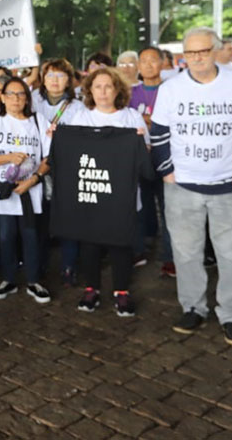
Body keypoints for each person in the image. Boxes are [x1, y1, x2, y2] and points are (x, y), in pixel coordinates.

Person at [150, 26, 232, 346]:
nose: (197, 58)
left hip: (231, 182)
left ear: (214, 51)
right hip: (182, 185)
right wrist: (166, 170)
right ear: (183, 56)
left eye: (203, 51)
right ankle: (193, 307)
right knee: (186, 252)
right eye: (190, 52)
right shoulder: (171, 89)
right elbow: (159, 132)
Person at [65, 68, 149, 316]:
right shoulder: (81, 117)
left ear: (117, 90)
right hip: (91, 191)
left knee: (121, 244)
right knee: (90, 243)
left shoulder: (131, 117)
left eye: (108, 86)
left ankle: (121, 291)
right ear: (89, 91)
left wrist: (140, 142)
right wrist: (57, 138)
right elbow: (70, 153)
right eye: (97, 87)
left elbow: (145, 155)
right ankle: (92, 288)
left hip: (122, 195)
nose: (103, 92)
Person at [0, 76, 52, 304]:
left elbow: (48, 158)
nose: (16, 99)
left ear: (27, 98)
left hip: (30, 188)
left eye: (21, 94)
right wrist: (9, 157)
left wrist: (34, 179)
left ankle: (34, 280)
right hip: (3, 189)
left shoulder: (38, 121)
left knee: (31, 234)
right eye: (10, 94)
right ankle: (8, 278)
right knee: (6, 235)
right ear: (2, 97)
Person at [32, 59, 82, 285]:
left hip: (67, 169)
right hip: (37, 168)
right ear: (43, 79)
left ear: (69, 81)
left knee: (68, 219)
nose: (55, 80)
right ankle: (39, 264)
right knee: (41, 219)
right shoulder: (33, 101)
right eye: (50, 75)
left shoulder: (78, 107)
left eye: (61, 76)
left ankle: (69, 266)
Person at [132, 47, 174, 276]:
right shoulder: (130, 92)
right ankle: (140, 248)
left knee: (169, 208)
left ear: (162, 63)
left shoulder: (173, 90)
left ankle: (170, 257)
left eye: (153, 60)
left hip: (167, 156)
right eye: (143, 61)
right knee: (140, 205)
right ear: (138, 65)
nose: (148, 65)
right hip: (138, 157)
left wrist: (147, 120)